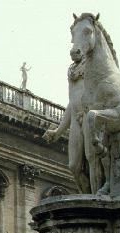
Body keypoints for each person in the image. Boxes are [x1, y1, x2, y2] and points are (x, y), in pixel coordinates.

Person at [43, 58, 91, 193]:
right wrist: (58, 131)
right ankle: (88, 196)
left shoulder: (94, 65)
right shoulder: (73, 70)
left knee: (93, 161)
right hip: (76, 120)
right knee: (73, 166)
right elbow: (72, 103)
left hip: (91, 119)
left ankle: (96, 197)